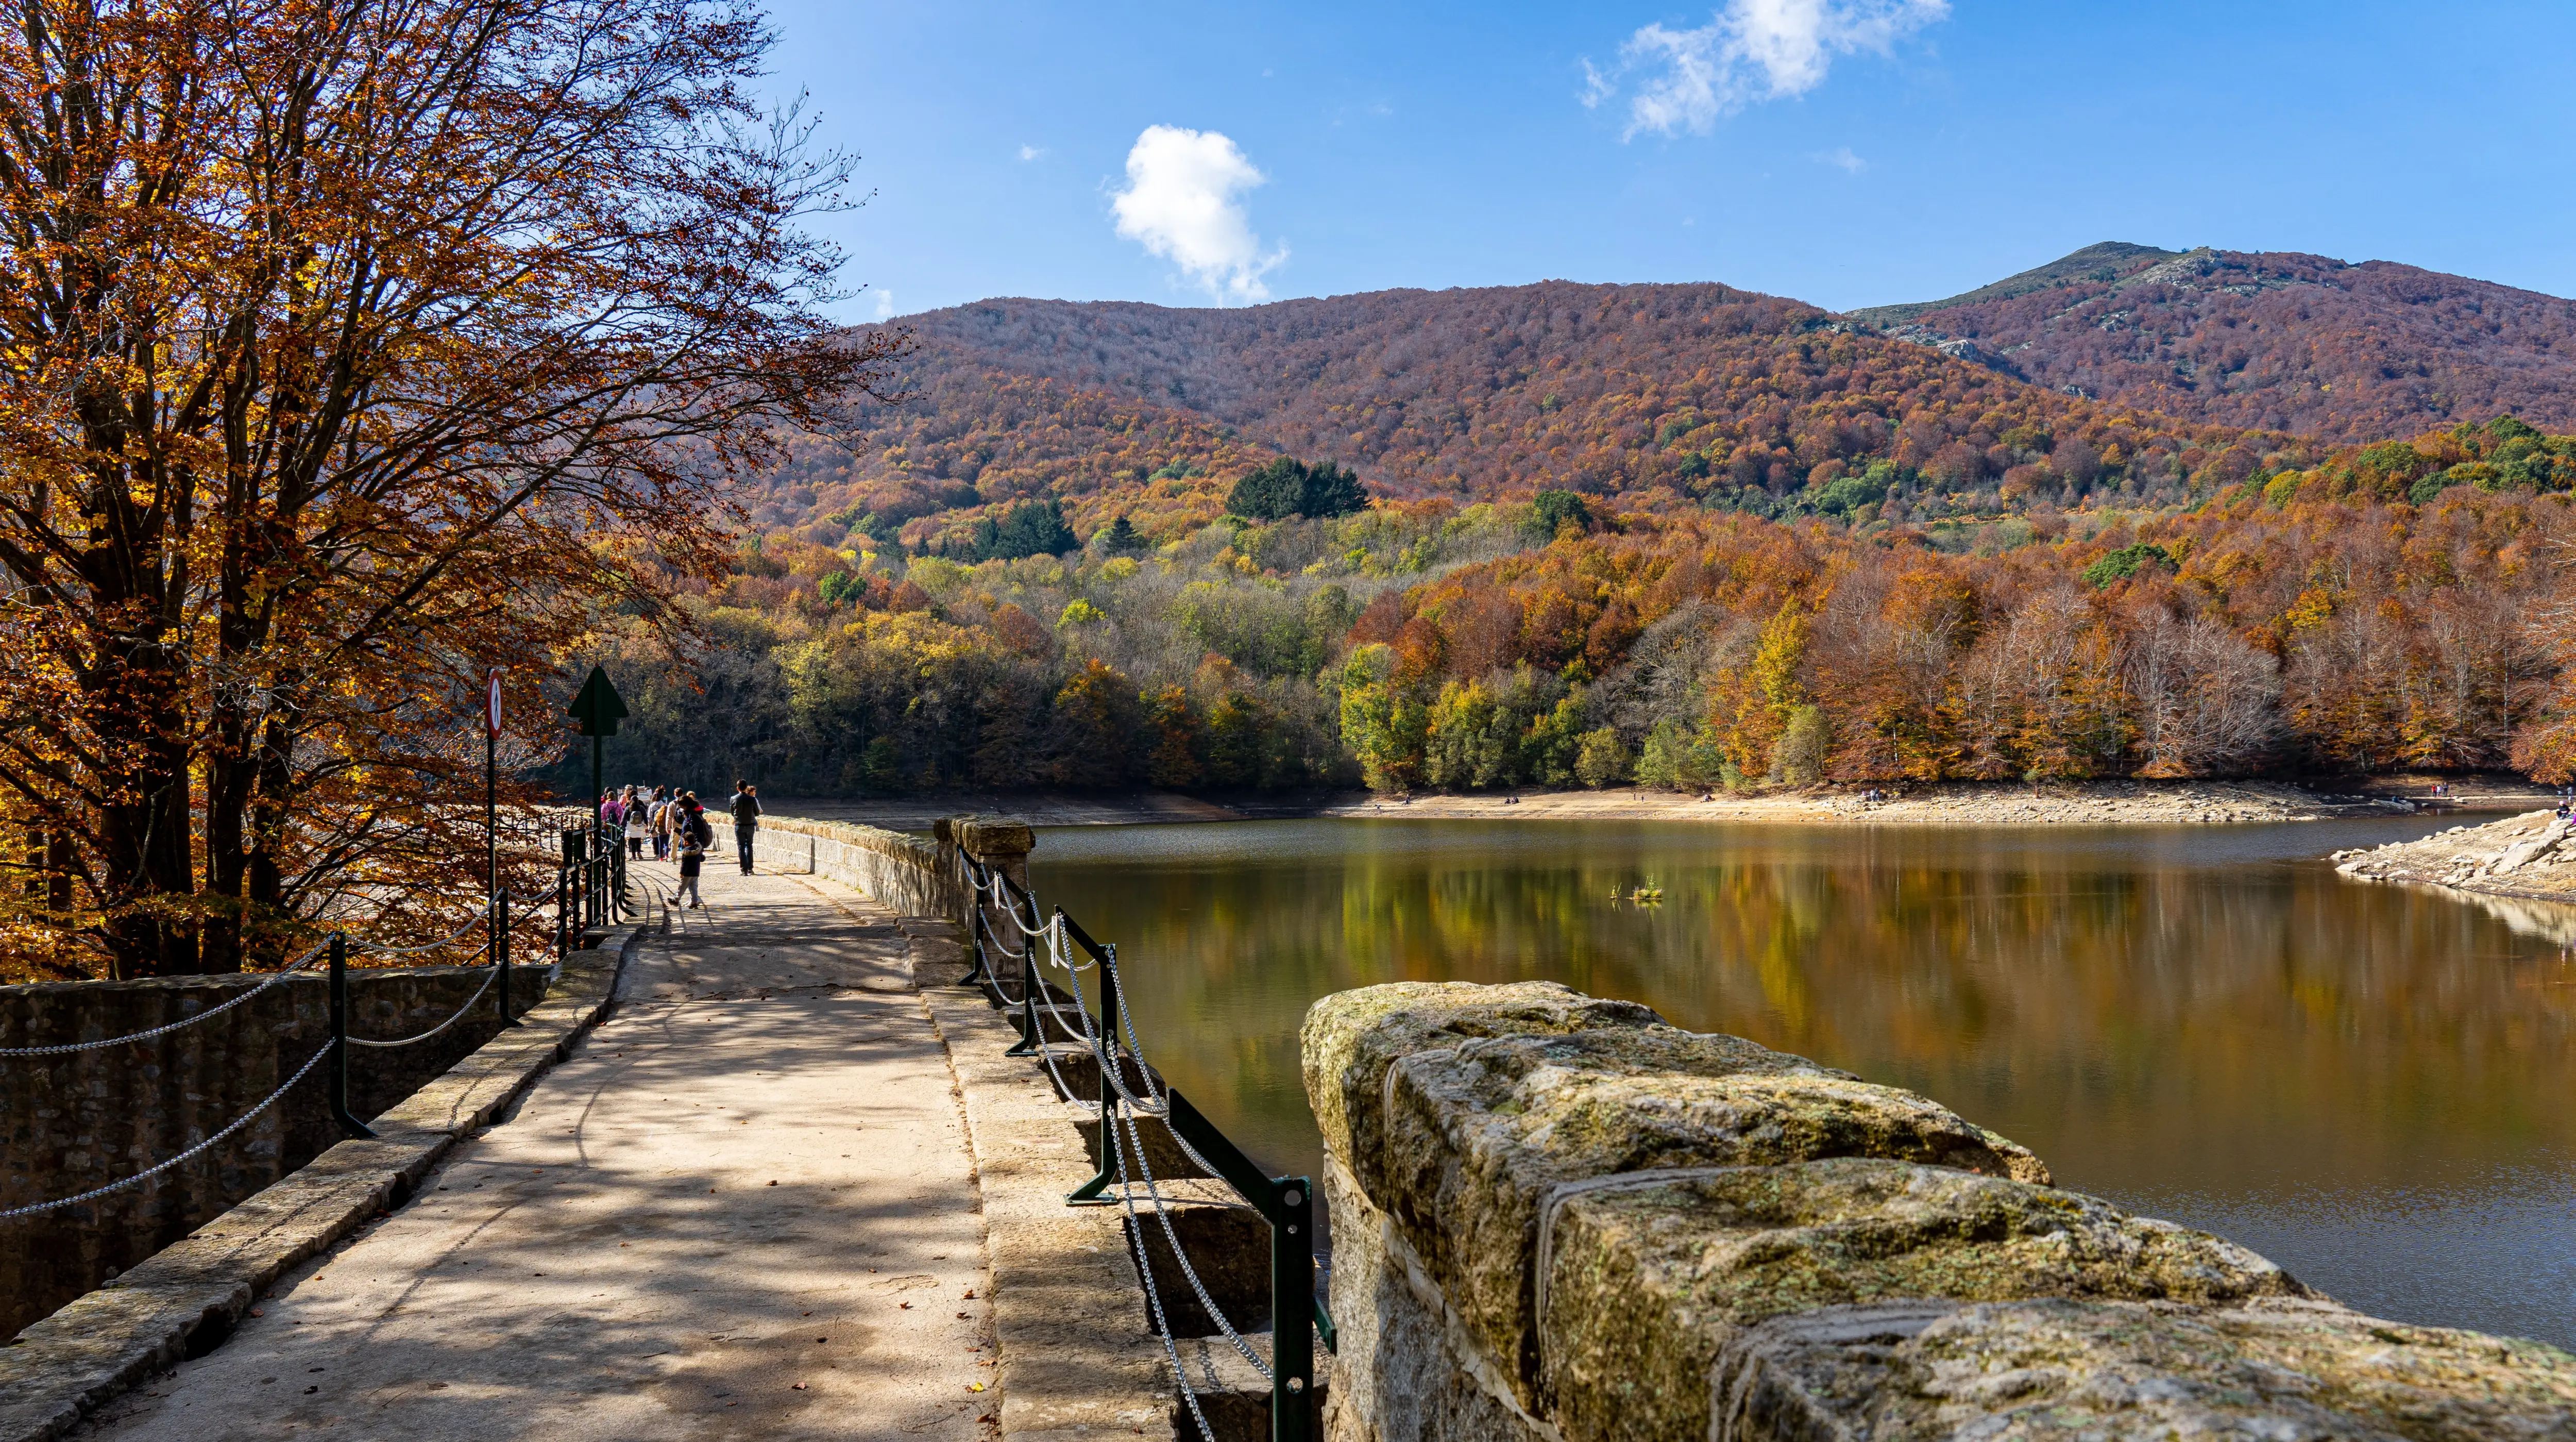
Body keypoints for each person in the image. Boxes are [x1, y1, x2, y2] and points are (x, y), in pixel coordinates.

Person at [674, 794, 708, 909]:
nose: (681, 809)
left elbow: (697, 834)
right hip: (692, 848)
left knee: (689, 876)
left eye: (681, 807)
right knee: (692, 877)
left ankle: (691, 899)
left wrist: (699, 851)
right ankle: (694, 899)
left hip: (693, 850)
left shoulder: (693, 817)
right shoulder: (692, 814)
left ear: (686, 806)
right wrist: (681, 832)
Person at [728, 780, 761, 875]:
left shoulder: (733, 799)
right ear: (746, 788)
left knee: (741, 847)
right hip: (750, 825)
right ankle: (750, 868)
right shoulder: (752, 799)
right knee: (749, 846)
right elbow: (757, 813)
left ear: (738, 788)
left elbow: (732, 813)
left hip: (739, 825)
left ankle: (744, 870)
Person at [623, 786, 649, 858]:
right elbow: (645, 817)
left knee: (632, 840)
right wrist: (646, 826)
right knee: (638, 839)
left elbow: (624, 817)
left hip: (631, 826)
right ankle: (639, 852)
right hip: (640, 825)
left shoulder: (628, 807)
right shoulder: (641, 807)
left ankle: (633, 856)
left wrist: (623, 825)